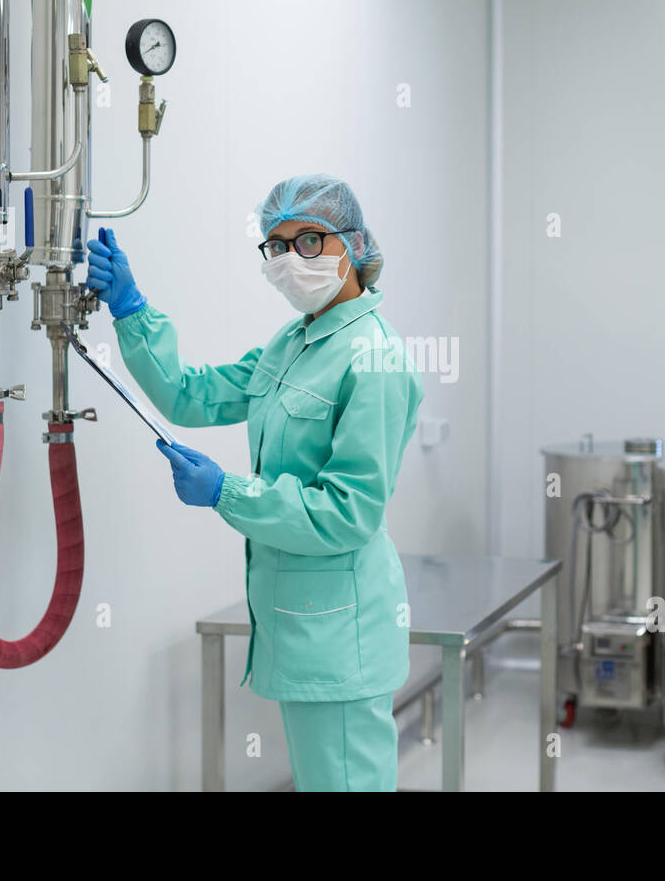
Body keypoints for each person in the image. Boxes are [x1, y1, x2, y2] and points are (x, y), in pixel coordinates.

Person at [85, 174, 423, 791]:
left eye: (310, 241)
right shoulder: (295, 343)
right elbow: (191, 395)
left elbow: (348, 512)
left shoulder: (374, 358)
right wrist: (132, 311)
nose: (293, 259)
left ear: (352, 243)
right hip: (304, 624)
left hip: (342, 632)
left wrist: (226, 492)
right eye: (277, 244)